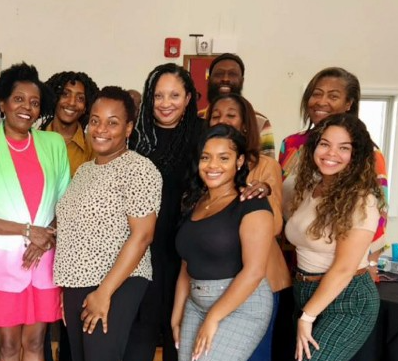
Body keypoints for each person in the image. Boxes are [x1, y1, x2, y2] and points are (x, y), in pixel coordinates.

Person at [0, 62, 70, 361]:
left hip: (45, 262)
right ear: (2, 103)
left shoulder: (54, 143)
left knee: (36, 344)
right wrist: (27, 231)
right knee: (8, 346)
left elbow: (66, 204)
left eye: (34, 102)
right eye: (19, 99)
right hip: (3, 263)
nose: (27, 108)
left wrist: (44, 236)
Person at [54, 86, 161, 361]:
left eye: (112, 122)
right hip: (78, 284)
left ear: (128, 128)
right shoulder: (86, 170)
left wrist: (104, 292)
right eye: (95, 120)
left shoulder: (138, 169)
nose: (101, 129)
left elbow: (143, 236)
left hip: (115, 283)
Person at [284, 114, 384, 361]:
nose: (331, 153)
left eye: (344, 148)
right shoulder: (305, 187)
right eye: (325, 144)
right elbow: (271, 197)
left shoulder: (362, 200)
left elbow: (344, 268)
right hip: (304, 290)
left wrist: (307, 317)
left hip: (349, 299)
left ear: (357, 155)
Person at [172, 124, 274, 361]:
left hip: (242, 304)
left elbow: (255, 271)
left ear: (239, 162)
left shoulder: (251, 203)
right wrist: (176, 316)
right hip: (195, 304)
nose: (212, 166)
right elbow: (186, 267)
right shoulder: (194, 203)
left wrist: (214, 317)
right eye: (205, 157)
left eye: (223, 158)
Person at [125, 63, 206, 361]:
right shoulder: (135, 137)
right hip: (139, 249)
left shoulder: (203, 136)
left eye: (174, 95)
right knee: (138, 336)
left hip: (185, 253)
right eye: (158, 96)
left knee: (180, 336)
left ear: (188, 99)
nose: (165, 103)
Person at [279, 67, 388, 281]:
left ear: (349, 104)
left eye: (333, 96)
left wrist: (371, 262)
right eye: (316, 93)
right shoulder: (291, 144)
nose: (321, 101)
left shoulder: (368, 153)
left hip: (339, 267)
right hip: (292, 259)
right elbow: (281, 197)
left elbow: (379, 216)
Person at [206, 93, 292, 361]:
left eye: (230, 115)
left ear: (245, 125)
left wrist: (263, 193)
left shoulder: (265, 166)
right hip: (214, 281)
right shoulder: (205, 166)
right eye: (216, 116)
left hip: (261, 282)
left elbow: (276, 226)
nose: (222, 120)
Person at [197, 53, 275, 157]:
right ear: (209, 79)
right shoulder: (197, 118)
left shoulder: (259, 121)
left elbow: (268, 165)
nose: (225, 79)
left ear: (242, 81)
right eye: (219, 74)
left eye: (232, 74)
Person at [38, 71, 99, 177]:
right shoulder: (33, 140)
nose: (71, 102)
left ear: (86, 107)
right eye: (65, 94)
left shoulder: (92, 148)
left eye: (80, 98)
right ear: (54, 98)